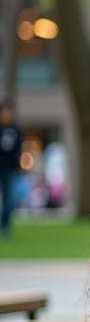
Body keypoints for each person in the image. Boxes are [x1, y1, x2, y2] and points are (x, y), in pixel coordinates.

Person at [0, 99, 23, 238]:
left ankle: (5, 225)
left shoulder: (15, 129)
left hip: (9, 170)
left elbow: (19, 149)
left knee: (10, 200)